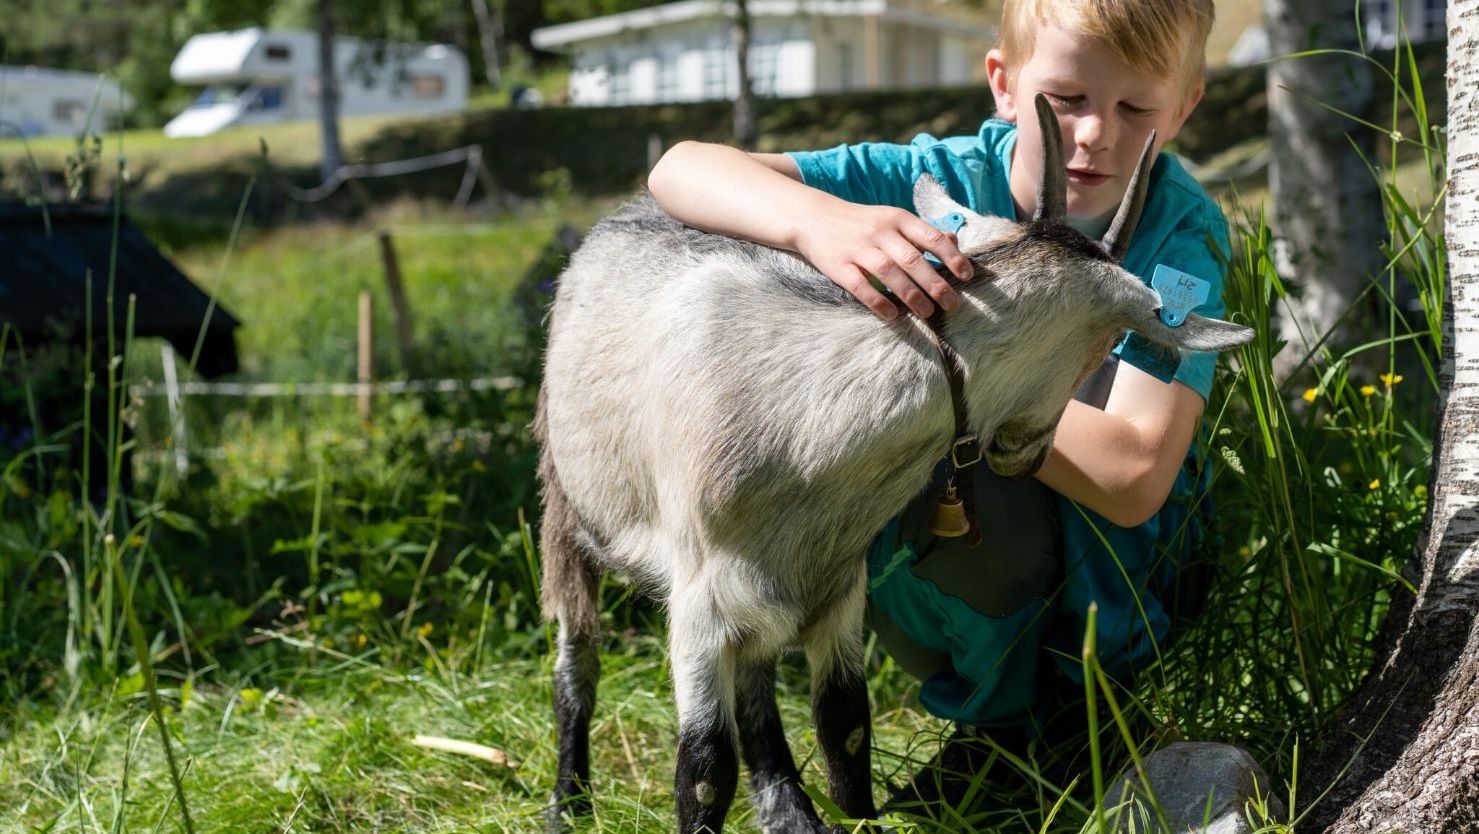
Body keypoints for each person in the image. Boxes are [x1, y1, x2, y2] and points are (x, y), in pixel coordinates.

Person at [648, 0, 1225, 815]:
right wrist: (818, 222)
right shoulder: (938, 179)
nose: (1094, 134)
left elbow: (1132, 474)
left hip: (1111, 577)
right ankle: (993, 729)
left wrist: (964, 382)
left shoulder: (1176, 237)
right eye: (1064, 100)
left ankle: (1061, 726)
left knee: (963, 469)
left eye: (1136, 108)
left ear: (1185, 106)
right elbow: (678, 169)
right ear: (1002, 83)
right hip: (940, 536)